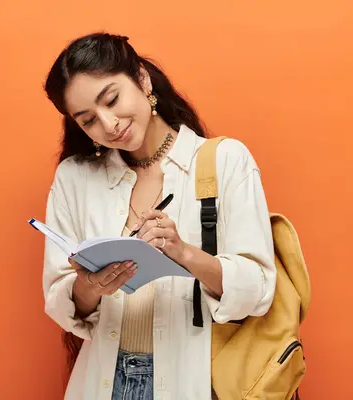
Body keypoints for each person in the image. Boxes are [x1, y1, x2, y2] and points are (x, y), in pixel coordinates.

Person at [40, 32, 277, 400]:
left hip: (193, 380)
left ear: (142, 79)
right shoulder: (74, 178)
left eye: (112, 99)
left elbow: (259, 289)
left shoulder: (226, 160)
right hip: (102, 382)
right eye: (88, 120)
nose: (109, 124)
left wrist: (184, 253)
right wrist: (90, 286)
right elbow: (59, 298)